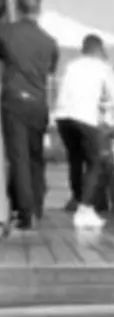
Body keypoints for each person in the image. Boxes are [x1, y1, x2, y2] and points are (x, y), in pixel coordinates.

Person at [54, 33, 114, 229]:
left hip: (62, 117)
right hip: (84, 117)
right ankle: (85, 209)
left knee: (75, 159)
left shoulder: (71, 65)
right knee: (96, 161)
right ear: (100, 50)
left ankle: (78, 200)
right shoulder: (102, 67)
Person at [0, 0, 59, 230]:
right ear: (39, 9)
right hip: (38, 103)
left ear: (18, 8)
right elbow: (50, 71)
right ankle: (37, 206)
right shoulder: (49, 41)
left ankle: (25, 212)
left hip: (14, 100)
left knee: (19, 157)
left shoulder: (6, 32)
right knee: (35, 157)